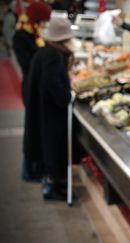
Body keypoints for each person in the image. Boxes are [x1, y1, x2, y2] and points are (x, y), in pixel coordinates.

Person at [26, 17, 75, 200]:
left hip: (42, 113)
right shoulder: (53, 57)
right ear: (62, 40)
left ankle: (53, 183)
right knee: (54, 151)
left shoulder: (43, 53)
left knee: (48, 150)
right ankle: (57, 188)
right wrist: (68, 96)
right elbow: (54, 86)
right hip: (51, 115)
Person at [12, 1, 51, 182]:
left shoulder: (34, 33)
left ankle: (37, 167)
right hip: (31, 87)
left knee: (38, 129)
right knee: (32, 130)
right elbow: (28, 63)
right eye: (43, 21)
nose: (44, 25)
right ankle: (29, 170)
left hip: (39, 86)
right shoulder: (21, 36)